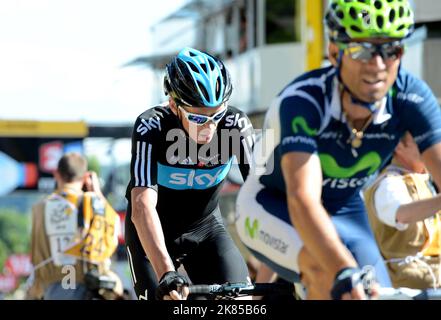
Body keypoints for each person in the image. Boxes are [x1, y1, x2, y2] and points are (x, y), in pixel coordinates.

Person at [235, 0, 441, 299]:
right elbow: (302, 200)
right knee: (330, 275)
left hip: (345, 209)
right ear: (335, 52)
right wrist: (344, 270)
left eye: (390, 50)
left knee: (379, 291)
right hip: (272, 205)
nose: (378, 65)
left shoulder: (412, 97)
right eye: (363, 50)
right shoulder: (302, 102)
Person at [125, 47, 255, 300]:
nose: (210, 126)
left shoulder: (235, 124)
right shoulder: (152, 125)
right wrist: (165, 272)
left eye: (217, 114)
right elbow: (141, 206)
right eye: (197, 118)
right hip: (153, 233)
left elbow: (262, 193)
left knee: (240, 302)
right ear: (174, 104)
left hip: (207, 229)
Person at [27, 152, 122, 300]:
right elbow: (114, 229)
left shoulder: (40, 208)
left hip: (53, 289)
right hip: (91, 287)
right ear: (85, 177)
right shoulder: (94, 204)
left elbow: (33, 254)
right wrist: (97, 193)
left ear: (56, 174)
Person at [364, 132, 441, 289]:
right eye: (423, 142)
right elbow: (401, 214)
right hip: (410, 279)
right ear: (399, 146)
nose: (432, 147)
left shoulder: (423, 179)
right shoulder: (389, 184)